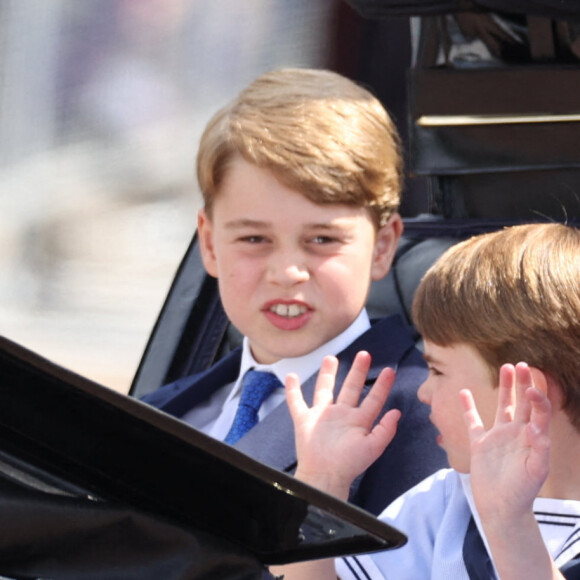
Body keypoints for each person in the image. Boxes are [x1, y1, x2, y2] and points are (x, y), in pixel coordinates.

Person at [142, 67, 447, 515]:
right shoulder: (163, 412)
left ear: (383, 245)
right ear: (209, 243)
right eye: (253, 239)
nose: (287, 272)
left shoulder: (420, 414)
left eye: (321, 240)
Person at [273, 222, 580, 579]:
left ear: (525, 395)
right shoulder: (443, 500)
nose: (423, 391)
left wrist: (507, 525)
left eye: (438, 371)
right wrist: (321, 483)